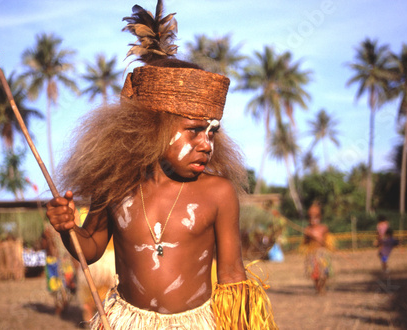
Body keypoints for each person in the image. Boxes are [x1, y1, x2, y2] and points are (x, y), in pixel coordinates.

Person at [46, 1, 276, 329]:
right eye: (195, 131)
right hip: (125, 321)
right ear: (152, 126)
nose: (206, 145)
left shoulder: (217, 193)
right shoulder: (115, 183)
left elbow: (232, 276)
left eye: (212, 133)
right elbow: (92, 247)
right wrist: (67, 227)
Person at [301, 203, 334, 294]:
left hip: (322, 253)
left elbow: (328, 241)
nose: (313, 220)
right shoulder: (307, 230)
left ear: (318, 217)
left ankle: (322, 286)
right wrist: (308, 236)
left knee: (324, 273)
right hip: (312, 253)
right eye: (311, 217)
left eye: (315, 217)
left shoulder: (324, 228)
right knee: (314, 273)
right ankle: (318, 288)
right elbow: (305, 243)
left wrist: (323, 241)